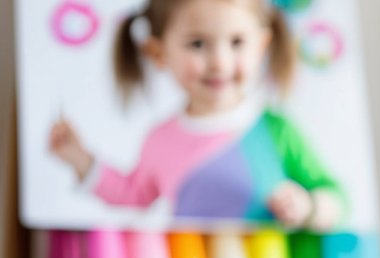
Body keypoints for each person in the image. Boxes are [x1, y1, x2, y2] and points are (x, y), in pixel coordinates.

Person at [48, 0, 343, 229]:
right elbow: (132, 194)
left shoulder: (276, 130)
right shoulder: (160, 140)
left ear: (261, 46)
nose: (219, 61)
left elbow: (335, 196)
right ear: (158, 53)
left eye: (237, 42)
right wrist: (81, 160)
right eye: (198, 44)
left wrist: (309, 207)